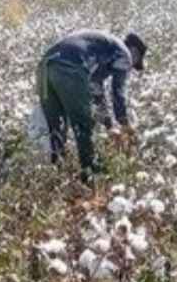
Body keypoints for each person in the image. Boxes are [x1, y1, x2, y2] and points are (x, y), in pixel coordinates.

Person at [36, 29, 147, 182]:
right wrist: (125, 125)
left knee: (56, 126)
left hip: (45, 66)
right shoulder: (124, 54)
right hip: (70, 67)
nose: (130, 68)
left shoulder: (103, 49)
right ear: (134, 52)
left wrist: (109, 125)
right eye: (135, 63)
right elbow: (118, 93)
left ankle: (58, 172)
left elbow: (97, 92)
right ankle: (90, 173)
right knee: (83, 123)